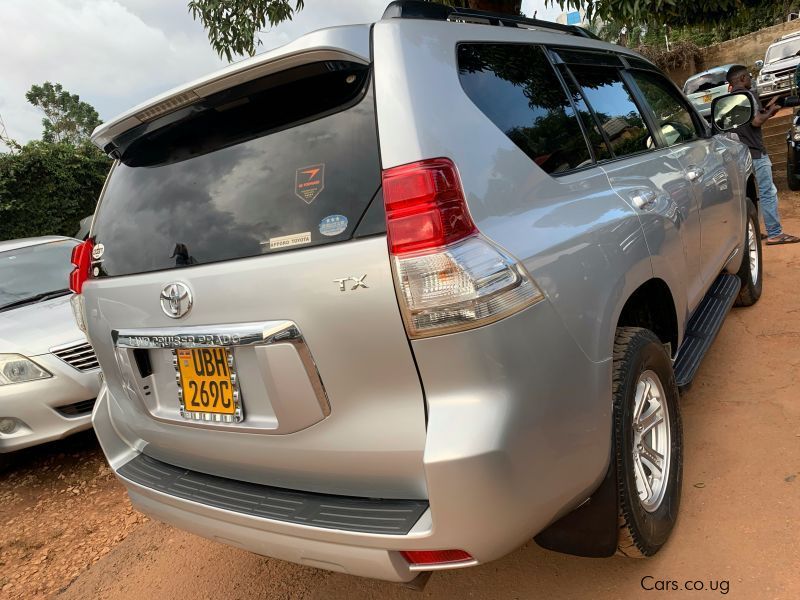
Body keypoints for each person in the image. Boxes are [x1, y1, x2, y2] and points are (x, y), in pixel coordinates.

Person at [726, 64, 800, 245]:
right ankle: (775, 233)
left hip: (740, 155)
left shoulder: (729, 100)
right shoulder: (748, 95)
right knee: (768, 192)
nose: (751, 79)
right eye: (749, 76)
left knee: (750, 196)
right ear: (742, 78)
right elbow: (756, 121)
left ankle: (755, 232)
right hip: (756, 153)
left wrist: (767, 108)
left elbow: (749, 119)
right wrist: (771, 112)